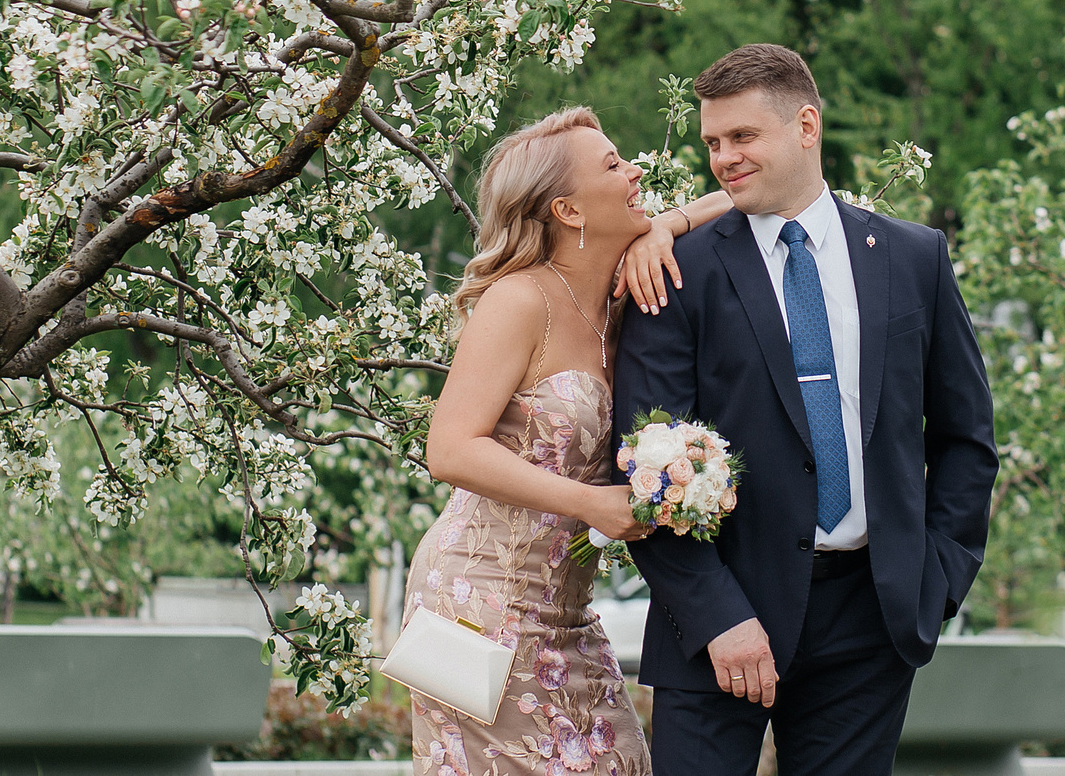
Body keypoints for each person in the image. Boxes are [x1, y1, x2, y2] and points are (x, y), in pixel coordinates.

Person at [611, 45, 999, 776]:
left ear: (807, 126)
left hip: (870, 620)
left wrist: (934, 581)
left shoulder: (916, 257)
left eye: (742, 137)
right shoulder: (674, 273)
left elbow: (965, 439)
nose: (723, 157)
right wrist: (717, 616)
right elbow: (639, 460)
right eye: (712, 143)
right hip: (715, 620)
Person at [410, 106, 723, 776]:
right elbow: (450, 448)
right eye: (612, 165)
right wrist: (592, 503)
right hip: (473, 604)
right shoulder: (520, 300)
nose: (635, 170)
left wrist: (665, 224)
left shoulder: (621, 302)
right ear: (568, 210)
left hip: (567, 614)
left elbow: (739, 196)